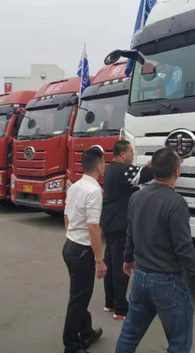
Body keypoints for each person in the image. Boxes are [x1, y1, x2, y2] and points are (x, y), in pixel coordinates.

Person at [115, 147, 195, 353]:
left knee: (130, 334)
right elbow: (184, 247)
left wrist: (127, 259)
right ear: (177, 172)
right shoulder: (176, 202)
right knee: (179, 341)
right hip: (167, 281)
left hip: (140, 277)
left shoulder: (137, 197)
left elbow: (131, 232)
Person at [100, 140, 153, 320]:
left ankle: (110, 302)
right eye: (131, 151)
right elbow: (147, 175)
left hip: (109, 222)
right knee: (121, 266)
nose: (133, 154)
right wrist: (163, 160)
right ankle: (121, 309)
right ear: (123, 154)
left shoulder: (112, 168)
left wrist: (147, 166)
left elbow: (141, 172)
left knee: (110, 263)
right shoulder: (123, 170)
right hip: (119, 224)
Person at [62, 146, 107, 353]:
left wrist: (71, 235)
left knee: (80, 295)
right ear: (99, 166)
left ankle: (86, 332)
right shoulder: (94, 191)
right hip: (82, 251)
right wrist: (100, 260)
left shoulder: (75, 186)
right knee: (79, 300)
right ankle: (71, 346)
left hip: (70, 247)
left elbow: (67, 216)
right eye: (104, 162)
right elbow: (93, 227)